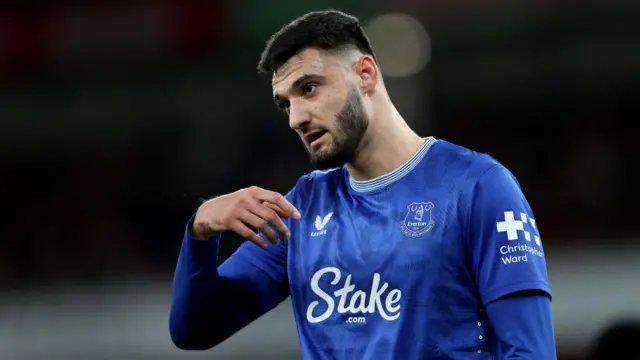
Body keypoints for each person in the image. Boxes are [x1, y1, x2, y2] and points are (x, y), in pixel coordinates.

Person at [169, 9, 557, 359]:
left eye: (308, 88)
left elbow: (529, 352)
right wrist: (201, 229)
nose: (296, 118)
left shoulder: (479, 187)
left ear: (366, 74)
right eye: (285, 103)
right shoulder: (302, 209)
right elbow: (195, 330)